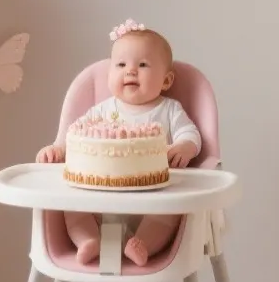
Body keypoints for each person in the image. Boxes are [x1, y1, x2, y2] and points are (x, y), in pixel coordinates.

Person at [36, 20, 199, 266]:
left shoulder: (169, 110)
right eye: (121, 64)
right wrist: (59, 149)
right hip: (98, 198)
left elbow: (190, 132)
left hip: (153, 201)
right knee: (71, 208)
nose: (130, 71)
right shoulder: (101, 111)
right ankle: (89, 240)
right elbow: (76, 136)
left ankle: (143, 244)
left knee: (171, 214)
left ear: (166, 81)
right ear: (109, 74)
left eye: (142, 65)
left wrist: (185, 147)